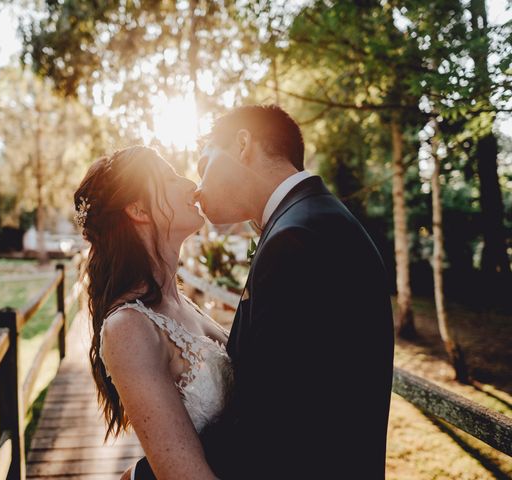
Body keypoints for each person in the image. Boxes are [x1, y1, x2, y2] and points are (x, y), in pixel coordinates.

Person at [131, 105, 395, 479]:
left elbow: (267, 422)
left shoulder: (296, 239)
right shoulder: (312, 218)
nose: (198, 186)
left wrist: (148, 475)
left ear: (242, 145)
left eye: (205, 165)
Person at [73, 145, 231, 480]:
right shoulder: (128, 328)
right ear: (138, 209)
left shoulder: (181, 303)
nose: (191, 185)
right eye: (171, 178)